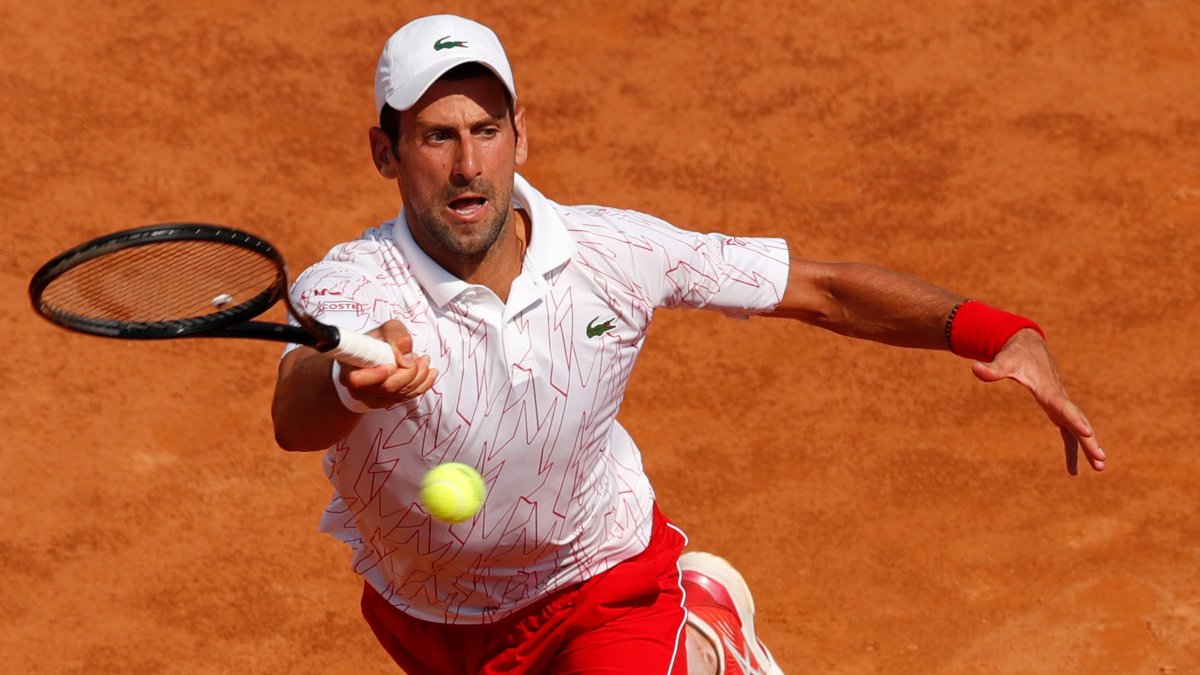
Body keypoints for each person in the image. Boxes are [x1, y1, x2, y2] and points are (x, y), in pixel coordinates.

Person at [271, 14, 1104, 675]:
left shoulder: (613, 255)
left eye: (485, 131)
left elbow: (821, 290)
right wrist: (351, 387)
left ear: (521, 136)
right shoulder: (349, 289)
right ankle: (706, 636)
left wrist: (1006, 331)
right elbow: (292, 410)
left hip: (598, 585)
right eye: (435, 136)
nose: (467, 165)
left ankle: (690, 628)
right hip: (427, 618)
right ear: (386, 151)